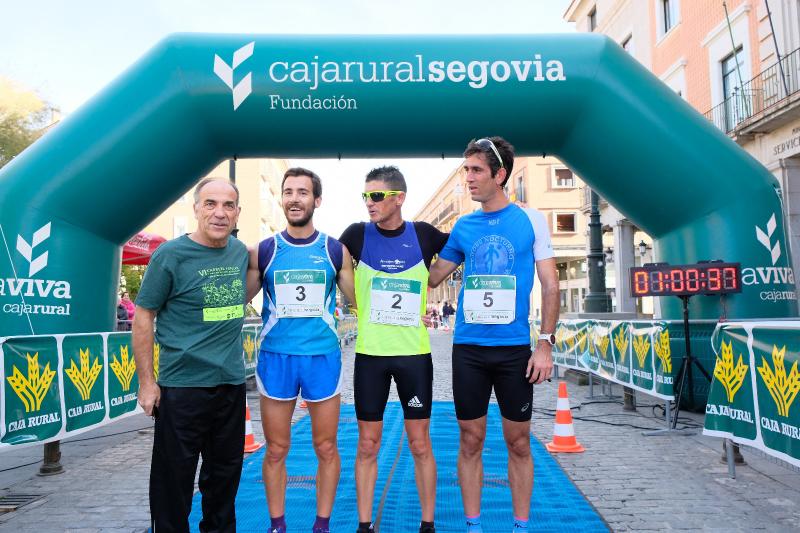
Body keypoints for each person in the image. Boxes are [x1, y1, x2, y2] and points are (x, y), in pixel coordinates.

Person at [428, 137, 559, 533]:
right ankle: (473, 525)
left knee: (518, 442)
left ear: (499, 175)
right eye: (466, 170)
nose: (468, 178)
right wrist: (401, 241)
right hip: (468, 349)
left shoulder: (531, 220)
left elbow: (551, 286)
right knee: (470, 439)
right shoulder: (463, 226)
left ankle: (520, 526)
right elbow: (434, 278)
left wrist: (544, 345)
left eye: (476, 170)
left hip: (514, 351)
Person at [133, 178, 249, 532]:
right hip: (182, 388)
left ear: (237, 213)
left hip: (230, 385)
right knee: (173, 482)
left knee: (225, 478)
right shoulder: (169, 255)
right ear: (196, 208)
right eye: (210, 204)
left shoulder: (240, 252)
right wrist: (147, 383)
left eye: (228, 206)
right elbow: (143, 316)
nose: (219, 212)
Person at [339, 166, 449, 533]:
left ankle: (428, 524)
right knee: (368, 444)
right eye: (365, 196)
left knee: (419, 443)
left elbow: (465, 248)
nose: (369, 203)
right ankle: (364, 525)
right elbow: (333, 269)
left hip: (413, 356)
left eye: (376, 196)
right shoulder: (356, 235)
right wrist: (356, 305)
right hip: (370, 356)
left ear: (398, 198)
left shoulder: (424, 234)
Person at [246, 167, 356, 533]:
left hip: (322, 358)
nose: (295, 198)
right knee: (276, 449)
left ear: (317, 200)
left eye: (303, 192)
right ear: (282, 198)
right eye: (288, 192)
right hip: (276, 359)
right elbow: (237, 299)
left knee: (325, 447)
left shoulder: (334, 250)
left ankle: (321, 524)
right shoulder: (264, 250)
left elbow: (358, 301)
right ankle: (277, 525)